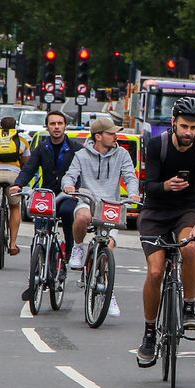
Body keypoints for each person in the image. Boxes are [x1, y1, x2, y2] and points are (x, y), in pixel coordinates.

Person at [135, 97, 195, 367]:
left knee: (190, 247)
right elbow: (149, 185)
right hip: (155, 212)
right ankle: (148, 333)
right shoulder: (157, 144)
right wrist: (166, 186)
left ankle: (189, 307)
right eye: (183, 127)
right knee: (156, 271)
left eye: (193, 128)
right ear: (173, 123)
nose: (188, 133)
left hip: (186, 212)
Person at [61, 115, 139, 318]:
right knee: (81, 217)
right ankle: (78, 248)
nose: (116, 136)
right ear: (98, 136)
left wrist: (133, 193)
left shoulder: (121, 154)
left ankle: (108, 290)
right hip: (87, 200)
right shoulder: (81, 155)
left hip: (111, 205)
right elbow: (70, 175)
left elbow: (130, 176)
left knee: (108, 251)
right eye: (111, 133)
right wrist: (68, 185)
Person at [11, 109, 81, 275]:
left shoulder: (76, 148)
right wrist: (18, 184)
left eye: (60, 123)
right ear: (47, 127)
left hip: (68, 195)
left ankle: (70, 251)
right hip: (47, 194)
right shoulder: (42, 148)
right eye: (52, 124)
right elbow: (29, 168)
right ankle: (38, 267)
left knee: (66, 212)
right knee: (40, 227)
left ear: (65, 126)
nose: (56, 127)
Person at [0, 116, 30, 256]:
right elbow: (26, 164)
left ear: (0, 127)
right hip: (14, 175)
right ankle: (13, 244)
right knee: (15, 206)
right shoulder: (22, 141)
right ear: (15, 127)